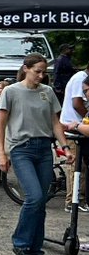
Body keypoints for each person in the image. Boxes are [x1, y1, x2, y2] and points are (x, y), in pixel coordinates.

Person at [0, 53, 69, 255]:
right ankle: (21, 242)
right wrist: (2, 152)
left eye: (43, 72)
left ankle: (35, 249)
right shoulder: (11, 91)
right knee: (34, 197)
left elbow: (55, 122)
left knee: (41, 201)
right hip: (22, 149)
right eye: (37, 71)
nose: (41, 75)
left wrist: (64, 146)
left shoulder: (47, 92)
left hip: (44, 149)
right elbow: (0, 124)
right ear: (25, 68)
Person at [57, 63, 89, 212]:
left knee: (80, 165)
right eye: (86, 91)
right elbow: (77, 103)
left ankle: (79, 199)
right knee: (76, 166)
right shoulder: (81, 78)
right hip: (72, 128)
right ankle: (73, 201)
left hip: (79, 128)